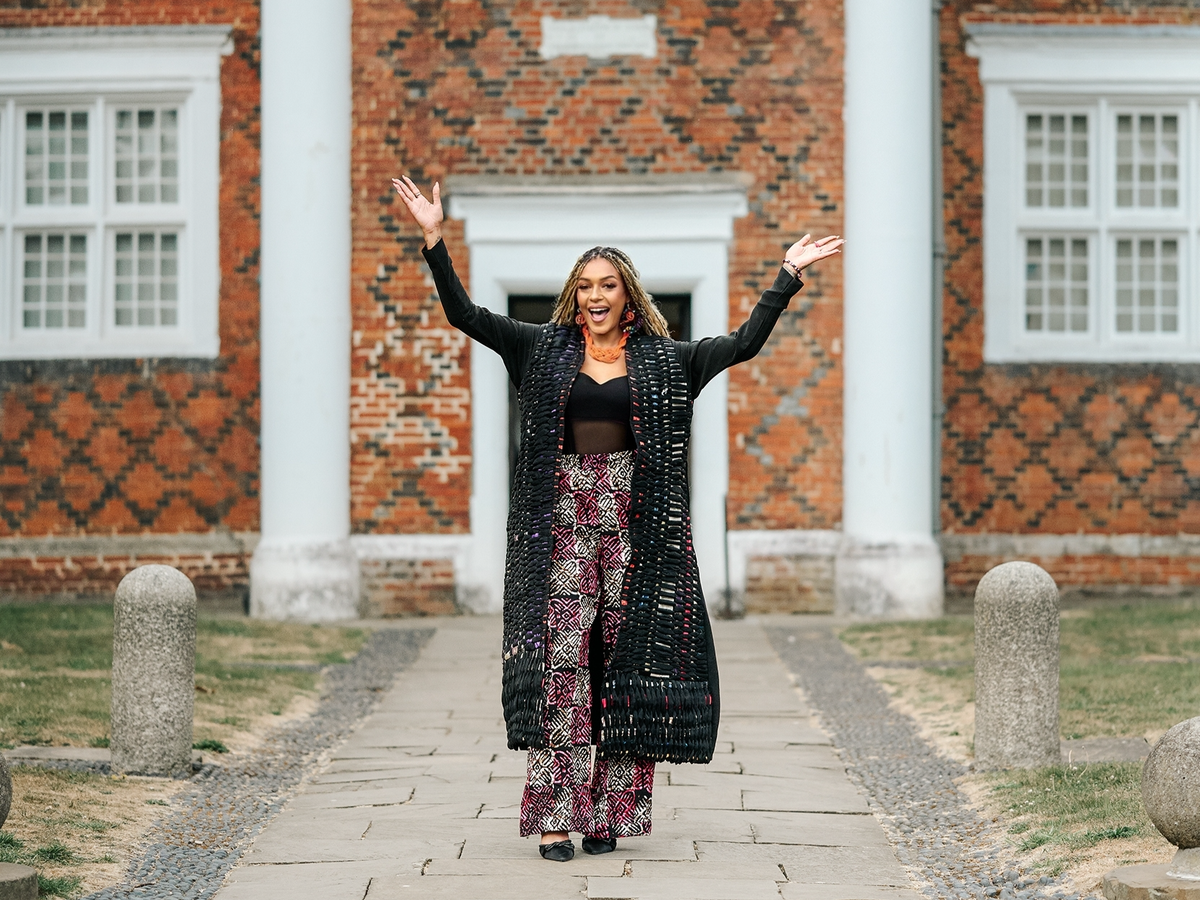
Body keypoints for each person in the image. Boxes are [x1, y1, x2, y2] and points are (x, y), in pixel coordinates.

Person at [392, 176, 843, 862]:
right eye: (586, 285)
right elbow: (467, 316)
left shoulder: (669, 361)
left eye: (608, 285)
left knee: (624, 673)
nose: (595, 296)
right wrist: (434, 241)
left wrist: (786, 275)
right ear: (574, 294)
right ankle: (554, 816)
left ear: (626, 294)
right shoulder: (539, 350)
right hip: (564, 529)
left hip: (637, 532)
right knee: (565, 669)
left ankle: (608, 814)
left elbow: (744, 344)